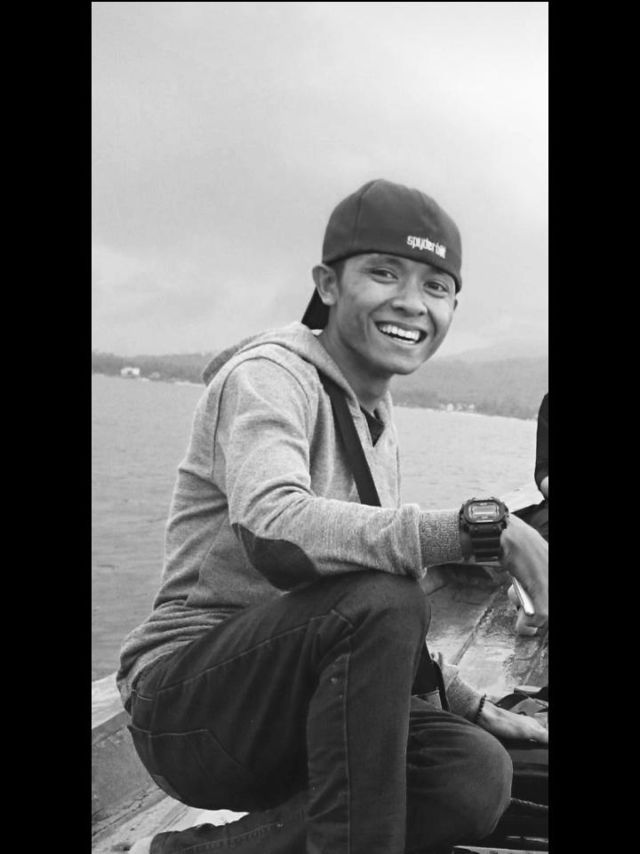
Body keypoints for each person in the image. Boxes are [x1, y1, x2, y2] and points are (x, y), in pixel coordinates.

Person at [119, 179, 549, 854]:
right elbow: (275, 529)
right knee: (385, 598)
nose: (412, 303)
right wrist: (478, 530)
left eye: (436, 286)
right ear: (327, 284)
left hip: (304, 696)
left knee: (470, 774)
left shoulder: (375, 416)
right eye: (385, 273)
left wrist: (473, 706)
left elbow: (367, 603)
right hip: (191, 710)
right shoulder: (268, 378)